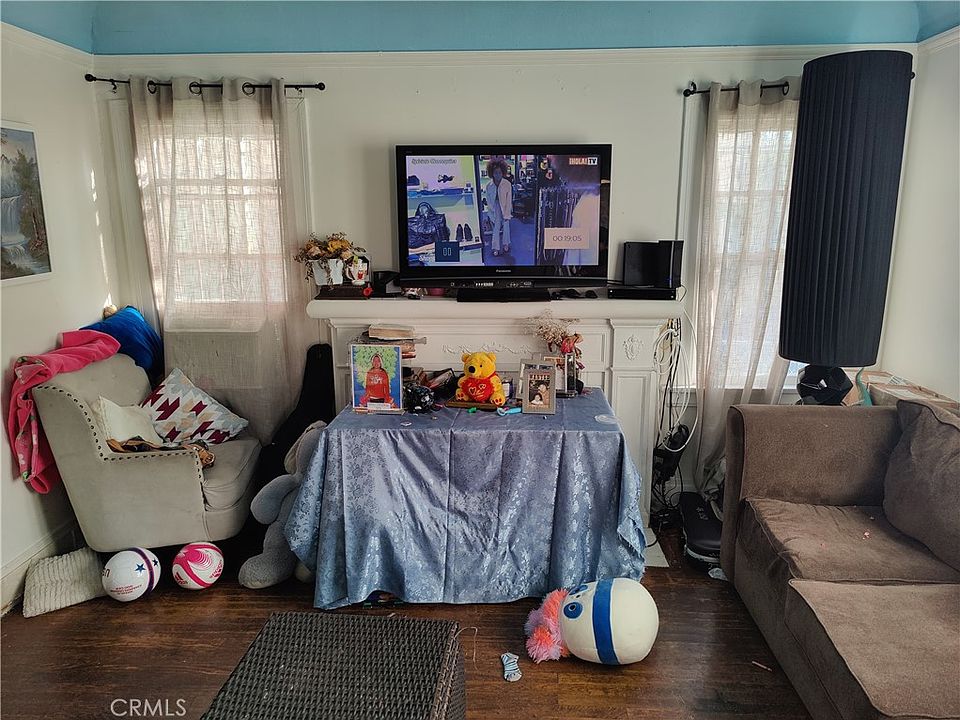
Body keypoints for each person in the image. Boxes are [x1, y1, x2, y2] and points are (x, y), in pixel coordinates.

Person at [484, 158, 512, 257]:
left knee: (506, 226)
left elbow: (509, 200)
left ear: (503, 172)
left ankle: (506, 244)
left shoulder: (507, 184)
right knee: (496, 228)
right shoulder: (489, 185)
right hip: (494, 207)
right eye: (495, 173)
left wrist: (507, 213)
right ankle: (495, 247)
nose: (498, 175)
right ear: (492, 173)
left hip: (505, 207)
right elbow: (488, 199)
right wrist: (490, 211)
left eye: (499, 172)